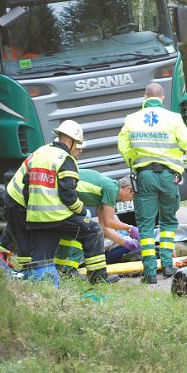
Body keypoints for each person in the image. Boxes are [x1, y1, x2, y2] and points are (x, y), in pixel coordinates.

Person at [118, 83, 187, 284]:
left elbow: (123, 146)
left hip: (145, 176)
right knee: (168, 222)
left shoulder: (132, 119)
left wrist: (134, 161)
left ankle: (149, 273)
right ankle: (167, 266)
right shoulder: (173, 119)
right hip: (167, 177)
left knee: (146, 225)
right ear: (162, 99)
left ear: (144, 97)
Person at [25, 120, 116, 284]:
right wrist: (82, 211)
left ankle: (56, 276)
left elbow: (26, 185)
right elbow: (68, 195)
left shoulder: (40, 152)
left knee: (42, 258)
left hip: (36, 218)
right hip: (57, 216)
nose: (78, 150)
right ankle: (98, 278)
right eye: (78, 145)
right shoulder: (65, 159)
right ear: (71, 140)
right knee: (93, 229)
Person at [54, 170, 139, 274]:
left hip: (64, 198)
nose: (131, 200)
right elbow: (110, 221)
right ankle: (70, 271)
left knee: (74, 234)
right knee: (84, 230)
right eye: (133, 195)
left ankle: (62, 271)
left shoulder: (108, 190)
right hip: (61, 197)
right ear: (128, 189)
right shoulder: (111, 189)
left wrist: (125, 243)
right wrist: (130, 228)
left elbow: (104, 227)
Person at [1, 156, 33, 267]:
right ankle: (28, 272)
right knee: (25, 236)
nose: (80, 151)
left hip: (13, 194)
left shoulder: (45, 151)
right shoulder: (60, 161)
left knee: (11, 230)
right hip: (20, 200)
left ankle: (0, 261)